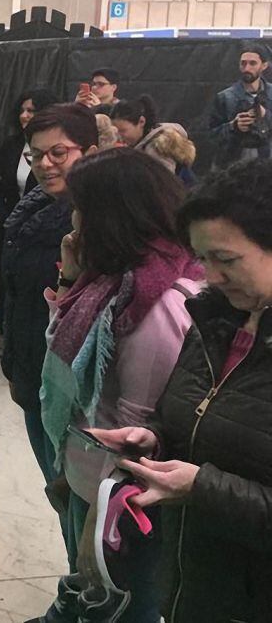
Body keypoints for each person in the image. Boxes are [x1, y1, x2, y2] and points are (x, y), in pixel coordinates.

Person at [88, 159, 272, 623]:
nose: (211, 276)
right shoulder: (214, 322)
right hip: (196, 582)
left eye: (226, 260)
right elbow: (204, 417)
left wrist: (201, 488)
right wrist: (154, 438)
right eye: (202, 258)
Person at [33, 149, 202, 623]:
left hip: (120, 506)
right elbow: (64, 352)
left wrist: (97, 522)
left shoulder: (156, 304)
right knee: (94, 596)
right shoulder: (108, 282)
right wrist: (69, 274)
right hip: (87, 477)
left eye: (82, 208)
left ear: (112, 215)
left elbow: (137, 431)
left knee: (126, 605)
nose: (74, 219)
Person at [0, 105, 98, 570]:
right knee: (59, 494)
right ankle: (77, 591)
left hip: (77, 396)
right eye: (36, 155)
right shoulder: (33, 209)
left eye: (59, 152)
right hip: (33, 374)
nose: (45, 164)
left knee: (82, 505)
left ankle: (87, 597)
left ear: (92, 152)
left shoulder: (98, 224)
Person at [0, 89, 58, 360]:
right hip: (5, 229)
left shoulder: (51, 153)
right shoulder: (11, 144)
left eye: (32, 110)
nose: (25, 115)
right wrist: (8, 220)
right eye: (23, 110)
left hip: (37, 233)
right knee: (0, 281)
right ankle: (1, 333)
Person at [207, 44, 271, 168]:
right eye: (243, 63)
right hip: (233, 165)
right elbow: (212, 136)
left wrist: (265, 115)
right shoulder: (224, 97)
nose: (247, 68)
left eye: (252, 63)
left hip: (267, 163)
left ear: (264, 66)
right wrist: (234, 126)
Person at [111, 95, 197, 185]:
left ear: (141, 122)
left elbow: (164, 186)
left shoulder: (156, 150)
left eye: (123, 131)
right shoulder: (144, 145)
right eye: (115, 131)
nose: (118, 136)